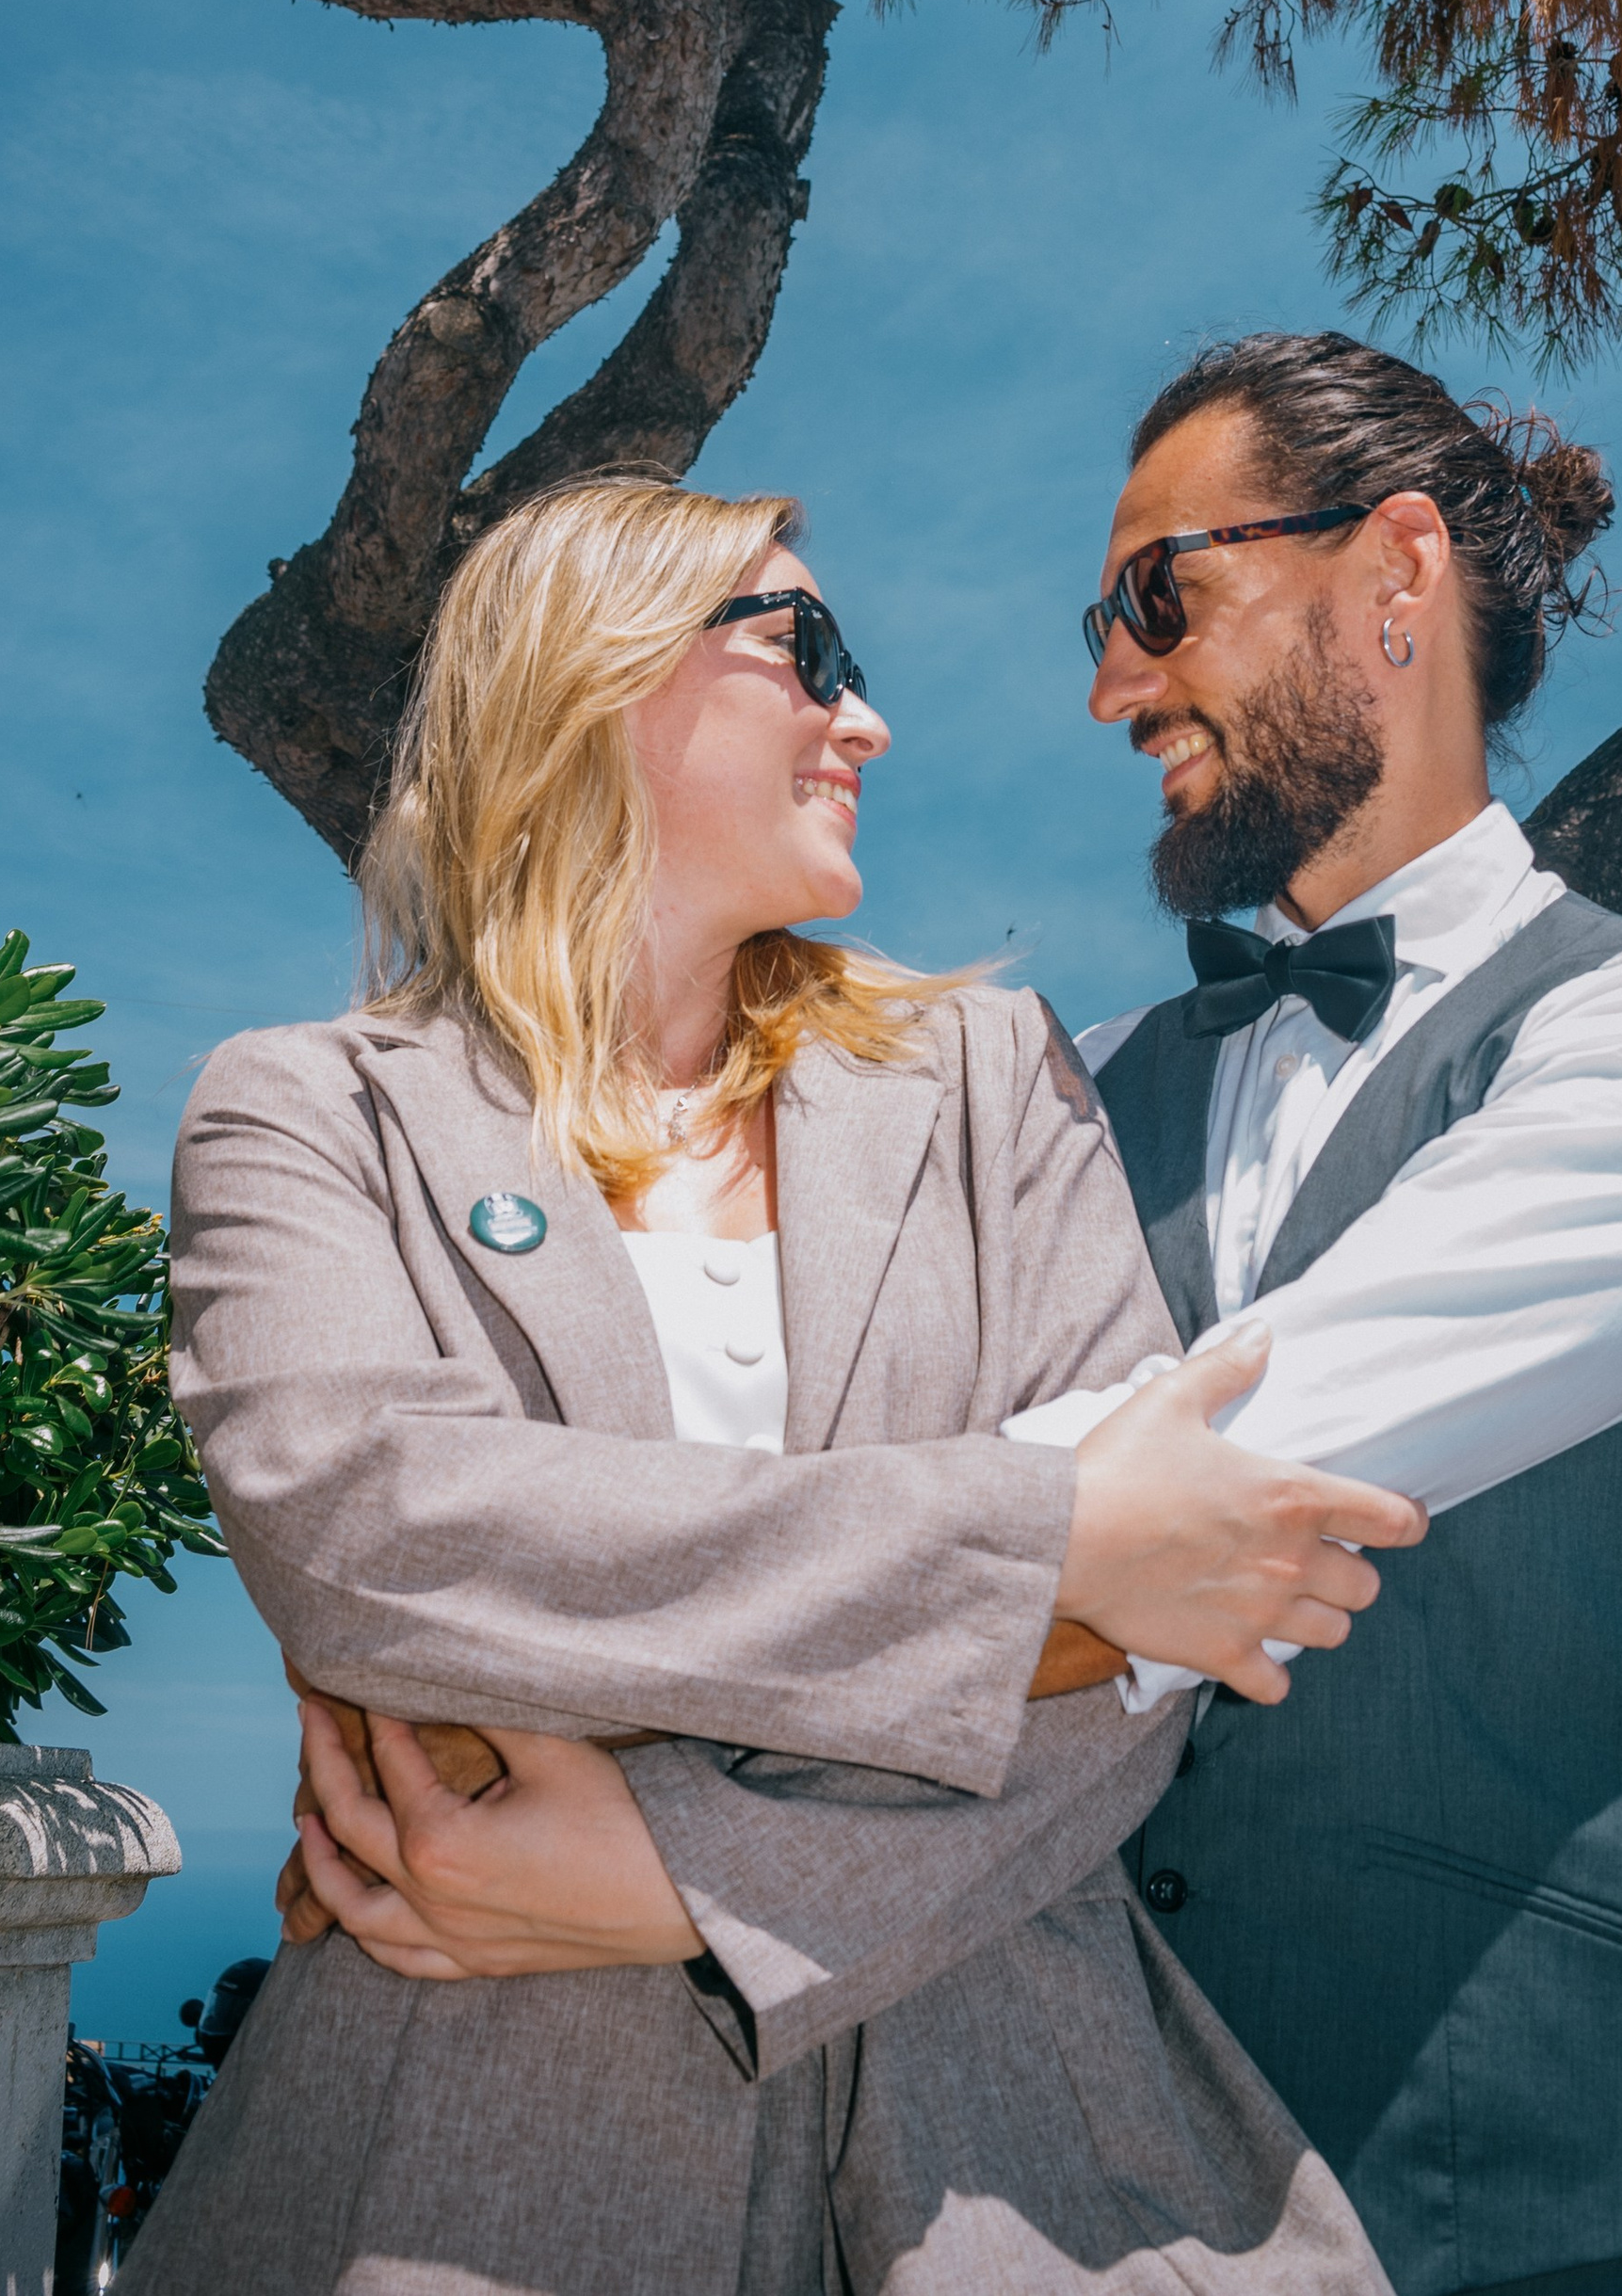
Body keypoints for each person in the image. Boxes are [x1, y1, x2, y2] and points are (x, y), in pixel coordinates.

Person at [119, 474, 1422, 2296]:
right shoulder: (306, 1106)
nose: (865, 716)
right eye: (801, 647)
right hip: (469, 2140)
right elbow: (367, 1532)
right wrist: (1044, 1539)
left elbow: (1145, 1647)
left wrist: (684, 1876)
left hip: (1020, 2140)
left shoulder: (985, 1071)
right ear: (584, 674)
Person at [1063, 332, 1622, 2296]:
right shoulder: (1070, 1089)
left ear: (1391, 573)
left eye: (1159, 593)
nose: (1109, 685)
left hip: (1562, 2243)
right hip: (1086, 2226)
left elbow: (1215, 1484)